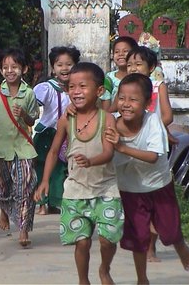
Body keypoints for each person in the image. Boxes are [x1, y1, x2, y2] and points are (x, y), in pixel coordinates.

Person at [34, 62, 124, 284]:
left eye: (83, 86)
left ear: (99, 91)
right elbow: (54, 151)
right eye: (71, 87)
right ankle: (83, 280)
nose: (76, 91)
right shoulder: (67, 119)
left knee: (107, 239)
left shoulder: (107, 119)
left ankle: (104, 268)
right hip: (75, 190)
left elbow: (108, 152)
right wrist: (44, 180)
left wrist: (91, 161)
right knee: (82, 241)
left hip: (106, 189)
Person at [105, 73, 189, 284]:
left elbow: (153, 157)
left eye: (133, 99)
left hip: (158, 185)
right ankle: (142, 278)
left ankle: (180, 244)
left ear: (147, 103)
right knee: (138, 238)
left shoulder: (153, 121)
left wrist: (122, 147)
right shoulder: (110, 125)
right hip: (130, 190)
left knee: (170, 229)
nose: (126, 104)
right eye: (121, 98)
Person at [0, 48, 40, 247]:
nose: (10, 70)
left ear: (24, 69)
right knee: (2, 188)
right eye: (6, 67)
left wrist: (23, 115)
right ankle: (4, 210)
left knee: (25, 188)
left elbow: (32, 118)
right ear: (1, 70)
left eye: (15, 67)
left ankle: (23, 229)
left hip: (22, 148)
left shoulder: (28, 93)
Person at [126, 45, 177, 262]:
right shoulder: (124, 87)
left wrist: (149, 127)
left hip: (155, 149)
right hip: (131, 149)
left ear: (151, 67)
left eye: (138, 64)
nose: (133, 68)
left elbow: (167, 115)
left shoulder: (158, 87)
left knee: (156, 198)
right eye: (129, 65)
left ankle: (151, 247)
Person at [33, 46, 80, 215]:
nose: (65, 68)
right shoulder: (47, 87)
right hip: (47, 133)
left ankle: (55, 202)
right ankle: (42, 203)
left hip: (68, 134)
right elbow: (33, 104)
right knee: (42, 167)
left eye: (69, 64)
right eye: (60, 64)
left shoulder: (77, 88)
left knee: (60, 170)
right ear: (53, 68)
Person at [100, 36, 138, 112]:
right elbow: (106, 109)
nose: (121, 54)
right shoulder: (109, 79)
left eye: (125, 51)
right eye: (116, 52)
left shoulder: (140, 77)